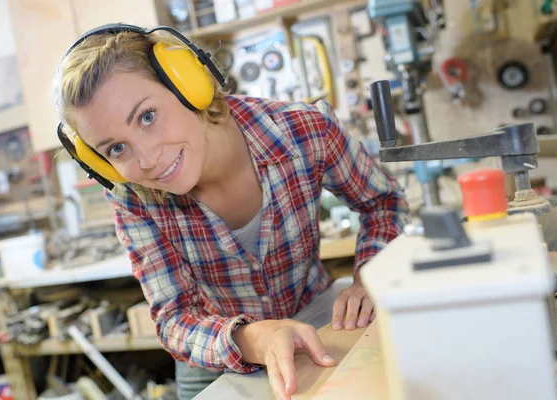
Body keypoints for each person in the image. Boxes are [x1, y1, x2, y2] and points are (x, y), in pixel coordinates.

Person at [53, 24, 409, 400]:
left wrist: (369, 276)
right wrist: (251, 337)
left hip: (319, 320)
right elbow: (174, 319)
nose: (147, 159)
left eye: (146, 117)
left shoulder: (305, 130)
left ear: (188, 84)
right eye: (116, 150)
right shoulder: (133, 197)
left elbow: (382, 202)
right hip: (214, 358)